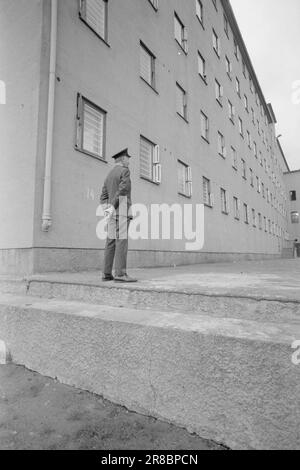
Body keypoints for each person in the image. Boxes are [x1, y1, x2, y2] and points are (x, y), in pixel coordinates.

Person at [100, 148, 137, 283]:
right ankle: (120, 274)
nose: (129, 162)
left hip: (111, 213)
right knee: (121, 241)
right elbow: (123, 190)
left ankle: (106, 274)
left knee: (110, 241)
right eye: (128, 159)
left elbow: (103, 196)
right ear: (122, 159)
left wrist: (107, 209)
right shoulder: (125, 171)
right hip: (121, 209)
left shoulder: (109, 175)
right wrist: (113, 207)